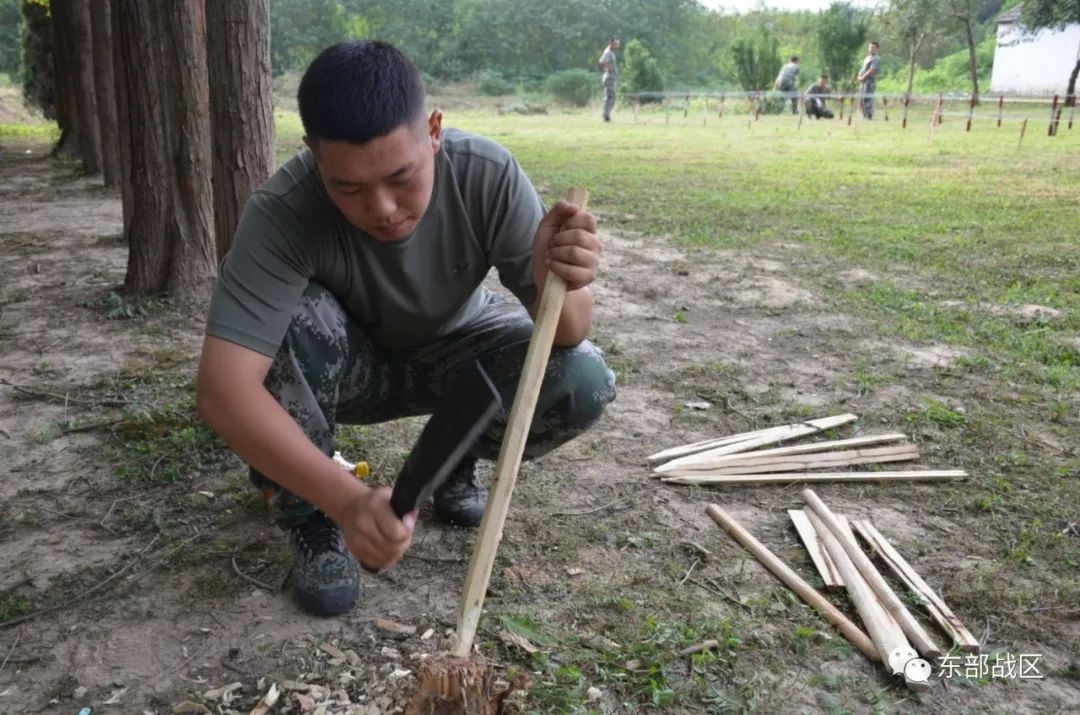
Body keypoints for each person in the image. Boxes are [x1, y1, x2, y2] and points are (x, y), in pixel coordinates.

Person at [196, 40, 616, 617]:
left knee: (582, 377)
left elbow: (565, 337)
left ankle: (451, 456)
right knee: (294, 319)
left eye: (402, 176)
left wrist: (559, 281)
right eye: (348, 187)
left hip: (458, 353)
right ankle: (308, 515)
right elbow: (225, 389)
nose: (385, 207)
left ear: (435, 130)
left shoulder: (485, 174)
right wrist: (346, 501)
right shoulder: (281, 213)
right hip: (350, 369)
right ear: (313, 155)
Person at [598, 35, 620, 122]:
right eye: (615, 43)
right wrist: (608, 68)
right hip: (609, 77)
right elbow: (601, 61)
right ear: (611, 43)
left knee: (609, 97)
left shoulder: (611, 52)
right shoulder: (607, 52)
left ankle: (606, 114)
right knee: (610, 97)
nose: (617, 45)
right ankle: (606, 115)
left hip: (612, 77)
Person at [857, 41, 880, 120]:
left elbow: (872, 70)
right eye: (870, 47)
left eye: (873, 47)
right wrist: (859, 76)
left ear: (877, 49)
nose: (871, 49)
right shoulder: (867, 58)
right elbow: (863, 69)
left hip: (869, 82)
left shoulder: (876, 59)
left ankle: (869, 115)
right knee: (861, 98)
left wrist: (863, 77)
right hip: (863, 81)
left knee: (867, 98)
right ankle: (864, 115)